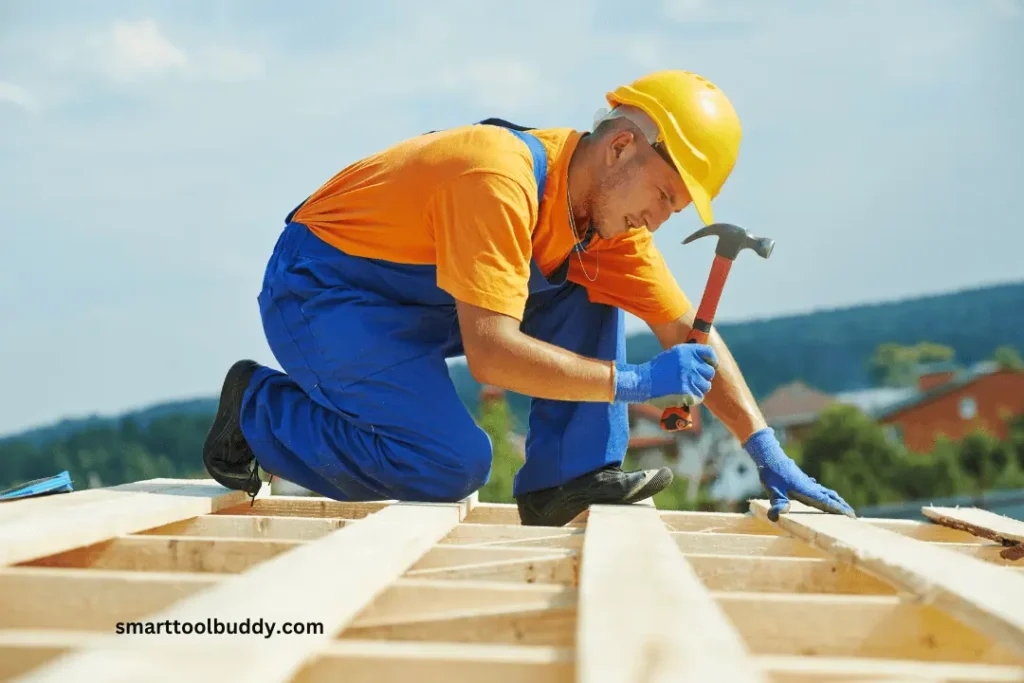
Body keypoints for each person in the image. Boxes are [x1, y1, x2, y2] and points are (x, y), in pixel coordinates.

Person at [202, 69, 856, 526]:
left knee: (590, 278)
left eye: (675, 210)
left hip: (420, 303)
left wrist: (763, 446)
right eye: (662, 197)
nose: (659, 220)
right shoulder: (497, 178)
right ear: (621, 148)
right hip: (324, 292)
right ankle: (256, 411)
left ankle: (567, 479)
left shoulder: (605, 220)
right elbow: (491, 354)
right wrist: (633, 380)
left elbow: (690, 335)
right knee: (450, 465)